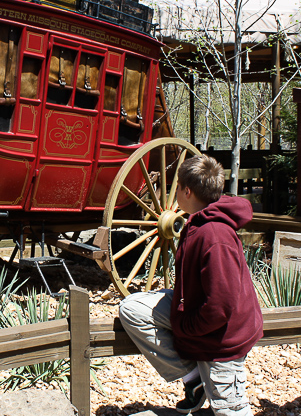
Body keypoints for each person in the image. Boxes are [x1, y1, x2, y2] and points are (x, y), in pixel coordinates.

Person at [118, 154, 263, 416]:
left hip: (222, 342)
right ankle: (194, 378)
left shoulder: (214, 236)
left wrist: (185, 328)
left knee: (230, 411)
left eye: (177, 189)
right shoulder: (202, 220)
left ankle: (211, 385)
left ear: (186, 190)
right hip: (204, 315)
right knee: (132, 309)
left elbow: (221, 305)